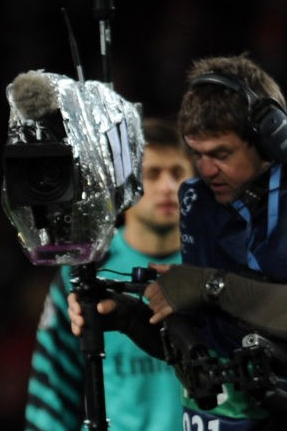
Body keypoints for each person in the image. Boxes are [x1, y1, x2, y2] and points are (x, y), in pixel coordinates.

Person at [70, 54, 287, 430]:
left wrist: (210, 286)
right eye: (198, 153)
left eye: (221, 154)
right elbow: (209, 349)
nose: (205, 170)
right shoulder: (199, 198)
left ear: (272, 139)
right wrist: (130, 318)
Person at [24, 118, 194, 431]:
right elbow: (52, 384)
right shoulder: (87, 269)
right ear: (125, 185)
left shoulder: (209, 266)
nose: (168, 187)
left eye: (178, 173)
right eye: (153, 174)